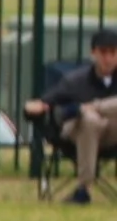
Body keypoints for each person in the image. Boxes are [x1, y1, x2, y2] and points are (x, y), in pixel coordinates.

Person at [25, 27, 117, 204]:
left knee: (95, 113)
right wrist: (33, 107)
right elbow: (47, 102)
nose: (108, 58)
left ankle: (90, 108)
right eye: (103, 52)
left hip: (112, 133)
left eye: (113, 53)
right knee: (90, 120)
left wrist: (91, 107)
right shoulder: (76, 81)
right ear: (93, 53)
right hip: (78, 131)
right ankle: (83, 190)